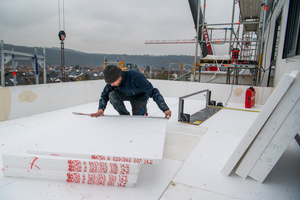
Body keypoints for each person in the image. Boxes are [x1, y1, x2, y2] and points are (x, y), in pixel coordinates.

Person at [91, 65, 171, 119]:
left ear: (119, 76)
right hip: (125, 93)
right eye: (110, 83)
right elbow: (104, 95)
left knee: (137, 119)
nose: (112, 84)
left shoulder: (136, 77)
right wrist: (101, 108)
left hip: (139, 96)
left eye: (113, 82)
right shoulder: (112, 82)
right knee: (112, 95)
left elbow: (153, 92)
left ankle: (143, 112)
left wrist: (165, 108)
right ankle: (125, 117)